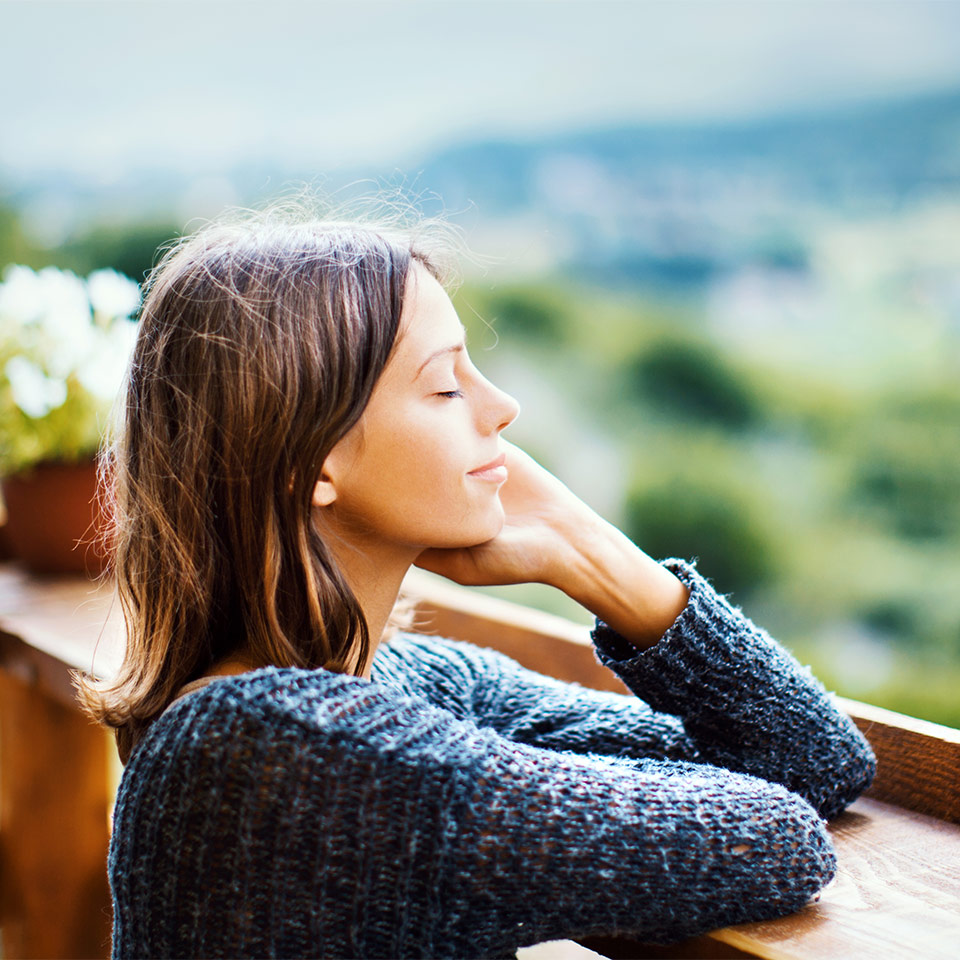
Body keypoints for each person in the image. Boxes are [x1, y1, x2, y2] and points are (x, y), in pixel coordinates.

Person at [78, 207, 876, 960]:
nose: (502, 406)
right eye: (446, 385)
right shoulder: (267, 749)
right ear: (309, 462)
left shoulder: (413, 685)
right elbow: (771, 837)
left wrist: (590, 553)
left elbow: (814, 763)